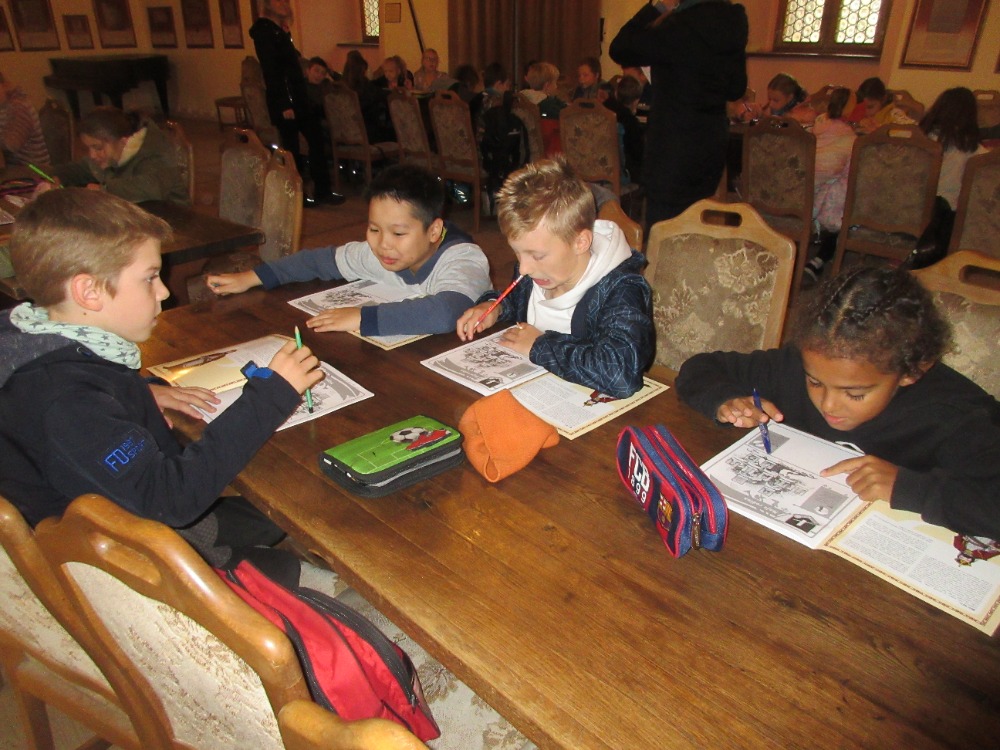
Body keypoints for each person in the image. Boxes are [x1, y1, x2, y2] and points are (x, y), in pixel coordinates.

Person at [0, 188, 323, 566]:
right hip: (119, 558)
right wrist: (272, 395)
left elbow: (77, 398)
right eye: (150, 278)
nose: (165, 291)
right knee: (299, 517)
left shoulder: (29, 339)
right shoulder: (69, 403)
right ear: (88, 291)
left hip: (113, 513)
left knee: (277, 512)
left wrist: (134, 392)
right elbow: (172, 500)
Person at [675, 266, 1000, 539]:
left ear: (911, 372)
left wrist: (909, 488)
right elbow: (700, 368)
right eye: (814, 382)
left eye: (855, 394)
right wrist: (725, 399)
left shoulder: (954, 414)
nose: (828, 405)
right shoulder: (796, 364)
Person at [206, 164, 491, 337]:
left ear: (434, 230)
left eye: (398, 233)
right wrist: (254, 277)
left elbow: (445, 313)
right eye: (374, 229)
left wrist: (361, 317)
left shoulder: (464, 258)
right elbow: (320, 261)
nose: (383, 244)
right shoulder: (378, 253)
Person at [456, 157, 654, 398]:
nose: (524, 268)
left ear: (580, 242)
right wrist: (494, 307)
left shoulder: (622, 289)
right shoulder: (540, 271)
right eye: (517, 253)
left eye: (537, 256)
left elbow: (620, 374)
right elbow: (516, 299)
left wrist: (539, 346)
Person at [610, 0, 748, 227]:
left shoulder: (677, 27)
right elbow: (736, 88)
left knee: (663, 228)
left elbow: (620, 47)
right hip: (710, 142)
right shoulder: (733, 21)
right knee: (696, 222)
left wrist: (656, 7)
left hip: (672, 145)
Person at [250, 0, 344, 206]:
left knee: (316, 138)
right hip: (286, 101)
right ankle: (296, 194)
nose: (284, 4)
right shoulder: (265, 32)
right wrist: (285, 104)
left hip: (297, 98)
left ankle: (322, 191)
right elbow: (273, 71)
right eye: (279, 0)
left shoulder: (279, 30)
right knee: (292, 148)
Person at [35, 106, 188, 204]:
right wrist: (54, 176)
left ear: (123, 141)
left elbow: (150, 188)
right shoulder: (109, 155)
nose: (92, 155)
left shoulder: (155, 154)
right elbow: (81, 169)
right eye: (88, 148)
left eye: (98, 148)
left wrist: (104, 190)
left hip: (173, 227)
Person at [803, 87, 857, 285]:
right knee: (850, 194)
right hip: (821, 201)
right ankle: (822, 257)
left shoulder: (814, 128)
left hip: (797, 192)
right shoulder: (850, 139)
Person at [0, 70, 49, 166]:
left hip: (32, 169)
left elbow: (11, 145)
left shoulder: (20, 107)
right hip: (13, 167)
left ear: (5, 85)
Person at [848, 77, 914, 134]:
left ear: (883, 99)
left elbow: (909, 131)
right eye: (862, 107)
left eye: (870, 107)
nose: (866, 112)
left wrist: (878, 129)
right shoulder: (861, 114)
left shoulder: (895, 114)